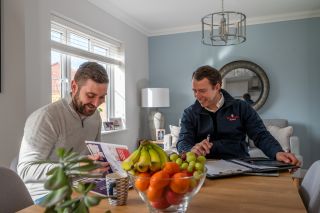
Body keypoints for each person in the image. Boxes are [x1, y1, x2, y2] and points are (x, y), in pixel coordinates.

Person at [17, 62, 110, 202]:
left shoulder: (95, 117)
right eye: (90, 95)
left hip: (82, 187)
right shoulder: (46, 118)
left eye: (102, 97)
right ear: (74, 87)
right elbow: (25, 170)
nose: (96, 104)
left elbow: (95, 156)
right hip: (47, 195)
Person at [176, 65, 299, 166]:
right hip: (204, 167)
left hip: (239, 164)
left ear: (217, 87)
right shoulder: (189, 113)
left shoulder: (241, 107)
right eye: (194, 91)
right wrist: (189, 150)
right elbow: (183, 141)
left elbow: (260, 135)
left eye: (202, 91)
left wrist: (277, 152)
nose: (197, 96)